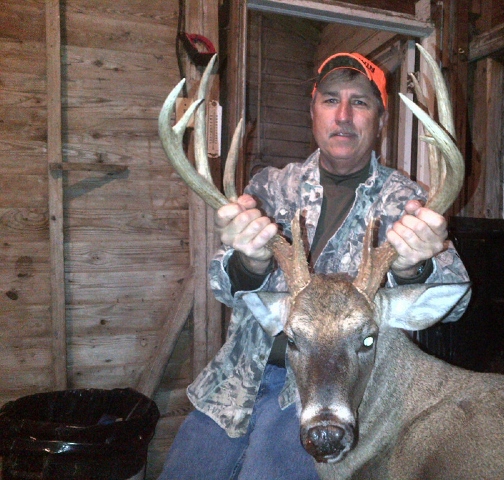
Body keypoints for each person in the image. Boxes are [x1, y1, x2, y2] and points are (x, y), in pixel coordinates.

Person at [159, 52, 470, 480]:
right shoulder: (269, 187)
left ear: (381, 120)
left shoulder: (410, 203)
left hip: (331, 390)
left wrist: (415, 267)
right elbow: (223, 287)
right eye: (330, 100)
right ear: (313, 111)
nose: (343, 115)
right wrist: (248, 262)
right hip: (234, 380)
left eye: (360, 102)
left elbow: (455, 301)